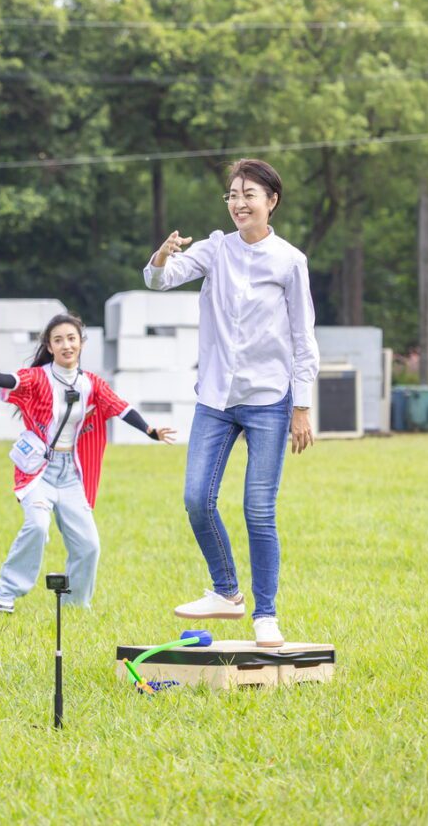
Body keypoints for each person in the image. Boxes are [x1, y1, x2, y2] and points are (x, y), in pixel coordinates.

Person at [144, 158, 318, 648]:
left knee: (258, 510)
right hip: (216, 399)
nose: (239, 203)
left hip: (268, 399)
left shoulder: (290, 261)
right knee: (197, 498)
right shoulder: (215, 249)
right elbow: (158, 280)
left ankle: (267, 613)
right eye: (233, 195)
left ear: (272, 202)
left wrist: (301, 406)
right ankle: (226, 592)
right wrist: (161, 256)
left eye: (249, 195)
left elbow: (304, 338)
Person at [0, 313, 177, 613]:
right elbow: (8, 380)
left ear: (81, 343)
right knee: (38, 526)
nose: (66, 345)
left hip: (71, 474)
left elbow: (121, 408)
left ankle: (75, 604)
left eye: (72, 338)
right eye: (58, 340)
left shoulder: (91, 383)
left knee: (89, 544)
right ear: (49, 347)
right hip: (39, 470)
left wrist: (150, 431)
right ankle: (5, 591)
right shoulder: (38, 377)